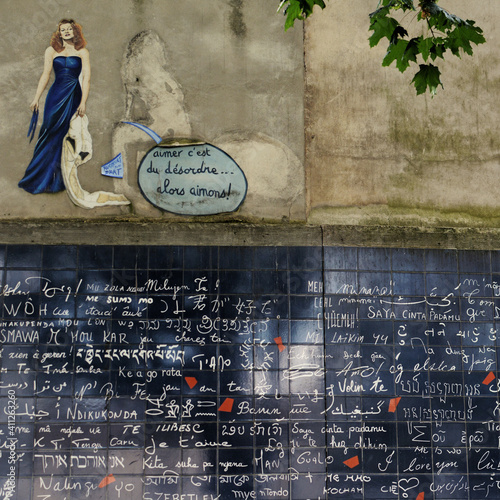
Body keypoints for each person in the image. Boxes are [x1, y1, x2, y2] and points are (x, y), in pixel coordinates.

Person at [19, 19, 90, 194]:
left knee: (64, 134)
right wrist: (36, 98)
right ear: (59, 33)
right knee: (48, 130)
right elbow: (46, 74)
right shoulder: (51, 51)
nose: (66, 32)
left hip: (73, 94)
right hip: (55, 94)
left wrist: (83, 102)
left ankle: (58, 180)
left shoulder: (83, 52)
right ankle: (36, 177)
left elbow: (87, 79)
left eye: (69, 29)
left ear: (75, 32)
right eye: (62, 30)